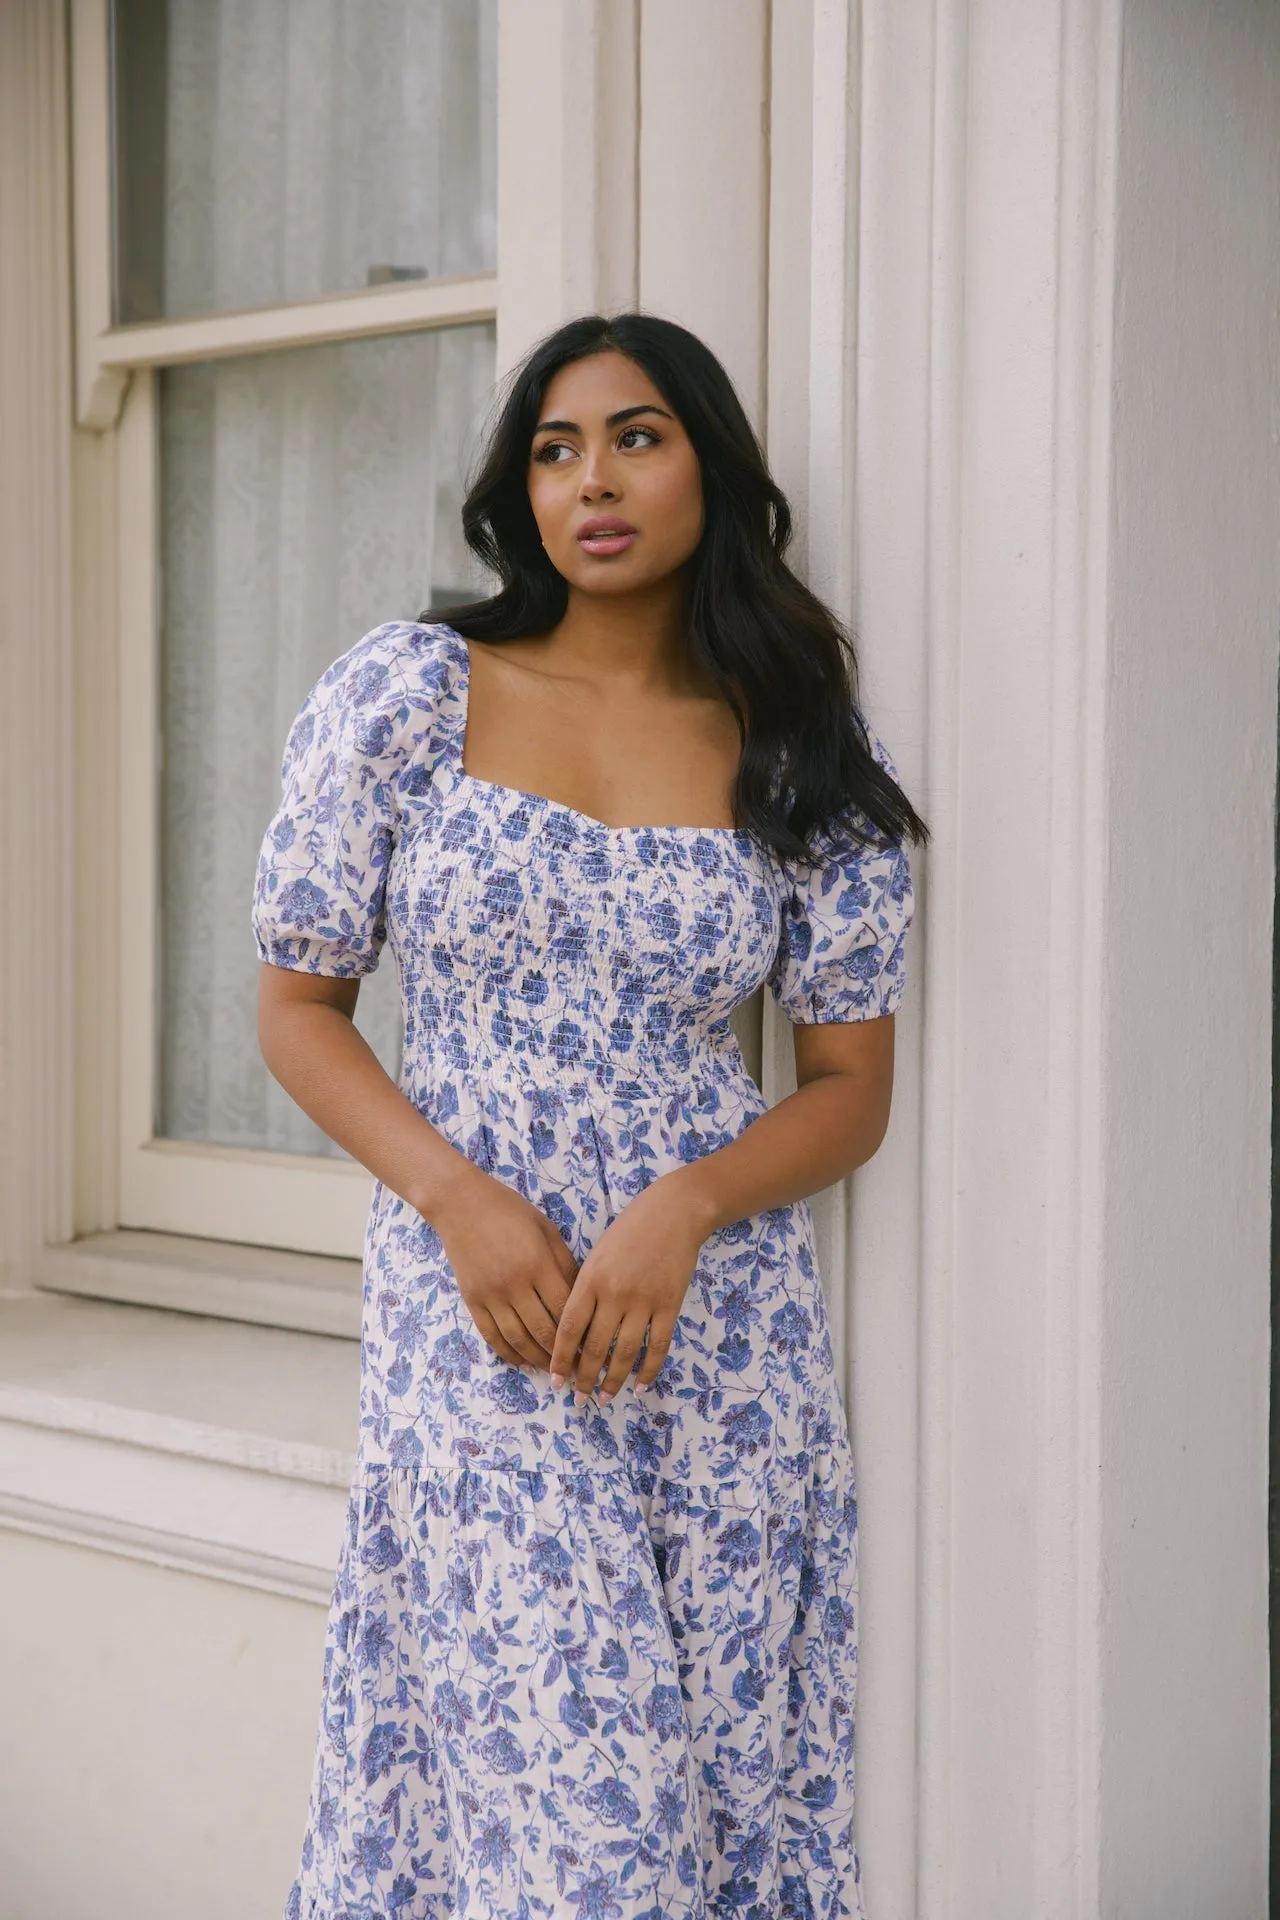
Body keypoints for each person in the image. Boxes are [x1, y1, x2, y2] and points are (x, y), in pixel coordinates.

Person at [252, 310, 928, 1920]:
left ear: (715, 468)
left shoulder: (802, 754)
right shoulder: (413, 696)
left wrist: (685, 1208)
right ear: (519, 495)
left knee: (720, 1794)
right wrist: (459, 1201)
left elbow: (848, 1092)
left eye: (637, 435)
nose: (592, 481)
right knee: (591, 1832)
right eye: (554, 450)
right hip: (488, 1324)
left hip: (720, 1347)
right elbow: (296, 1010)